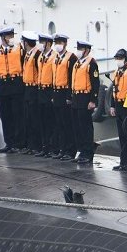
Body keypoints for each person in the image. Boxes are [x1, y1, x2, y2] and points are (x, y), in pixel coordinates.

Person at [0, 26, 24, 153]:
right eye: (9, 36)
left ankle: (19, 143)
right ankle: (9, 143)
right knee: (6, 115)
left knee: (17, 115)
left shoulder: (19, 48)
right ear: (3, 37)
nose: (12, 38)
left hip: (17, 83)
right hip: (3, 84)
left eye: (12, 36)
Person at [71, 40, 99, 164]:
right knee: (78, 127)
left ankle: (88, 153)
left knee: (86, 127)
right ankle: (82, 151)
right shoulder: (77, 63)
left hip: (85, 98)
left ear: (86, 50)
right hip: (76, 98)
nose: (78, 51)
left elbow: (95, 83)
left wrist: (93, 100)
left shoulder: (91, 63)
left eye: (81, 49)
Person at [51, 33, 77, 161]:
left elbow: (72, 77)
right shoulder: (55, 57)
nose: (58, 45)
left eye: (60, 43)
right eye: (56, 43)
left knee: (67, 124)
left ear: (65, 44)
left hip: (65, 92)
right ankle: (62, 149)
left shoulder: (70, 57)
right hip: (56, 93)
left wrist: (69, 96)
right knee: (59, 123)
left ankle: (70, 150)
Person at [109, 49, 127, 171]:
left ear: (126, 59)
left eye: (120, 58)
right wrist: (112, 106)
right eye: (117, 58)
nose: (118, 60)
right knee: (121, 135)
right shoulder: (117, 72)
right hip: (118, 105)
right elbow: (115, 89)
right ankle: (123, 162)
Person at [20, 31, 41, 154]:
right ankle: (31, 145)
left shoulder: (36, 54)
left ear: (26, 42)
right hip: (27, 88)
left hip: (34, 89)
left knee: (35, 119)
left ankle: (37, 146)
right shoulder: (27, 54)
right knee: (28, 119)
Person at [36, 32, 56, 157]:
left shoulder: (54, 57)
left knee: (51, 121)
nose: (40, 45)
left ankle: (53, 147)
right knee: (42, 121)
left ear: (48, 43)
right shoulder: (40, 56)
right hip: (41, 91)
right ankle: (45, 147)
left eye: (42, 42)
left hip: (50, 90)